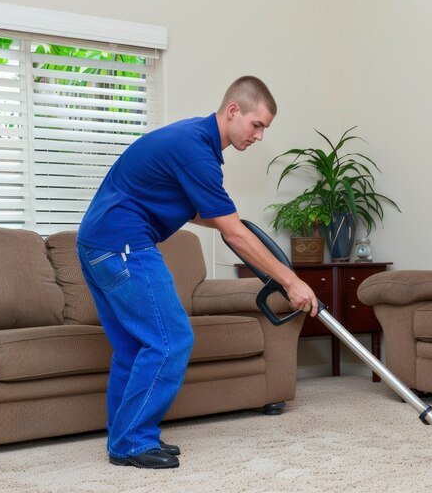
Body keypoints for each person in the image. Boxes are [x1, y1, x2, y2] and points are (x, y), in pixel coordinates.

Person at [76, 76, 319, 469]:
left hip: (97, 242)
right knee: (171, 339)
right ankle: (133, 441)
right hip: (123, 244)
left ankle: (126, 437)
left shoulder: (192, 140)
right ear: (233, 110)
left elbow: (196, 213)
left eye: (264, 129)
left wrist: (229, 221)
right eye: (257, 125)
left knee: (134, 348)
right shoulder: (196, 153)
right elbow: (233, 235)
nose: (259, 136)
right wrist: (290, 281)